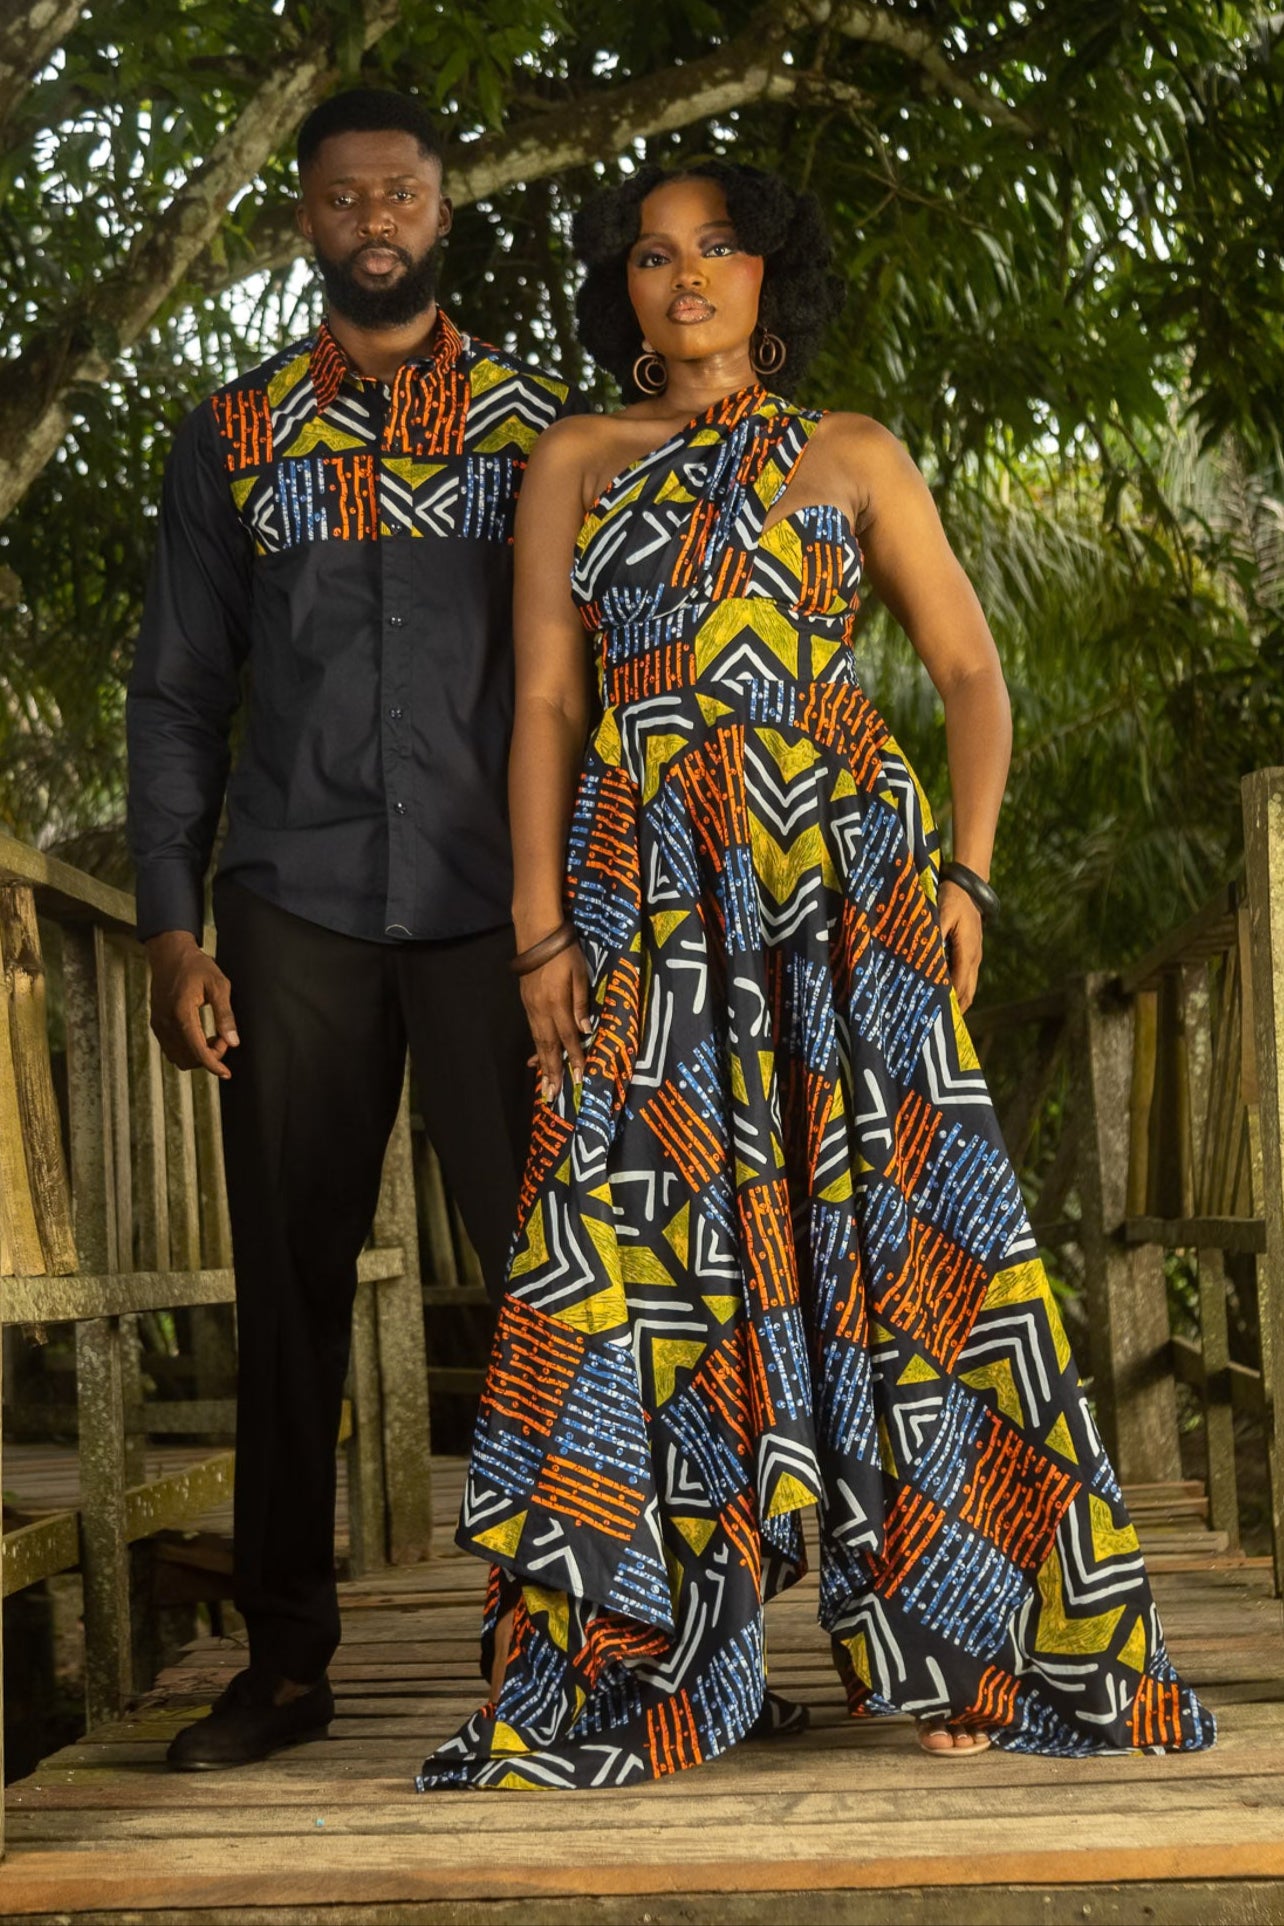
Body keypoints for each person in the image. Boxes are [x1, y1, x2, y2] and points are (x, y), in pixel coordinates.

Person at [417, 160, 1215, 1791]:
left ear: (776, 273)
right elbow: (552, 714)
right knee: (623, 1242)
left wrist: (969, 873)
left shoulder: (849, 455)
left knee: (910, 1240)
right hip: (644, 895)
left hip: (837, 895)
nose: (687, 277)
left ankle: (966, 1625)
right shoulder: (574, 459)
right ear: (623, 290)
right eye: (653, 256)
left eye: (719, 248)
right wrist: (537, 930)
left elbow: (973, 674)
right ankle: (641, 1648)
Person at [127, 88, 578, 1770]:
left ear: (441, 209)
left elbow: (596, 682)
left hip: (496, 915)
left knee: (553, 1274)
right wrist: (174, 932)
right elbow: (178, 694)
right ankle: (289, 1661)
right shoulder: (231, 437)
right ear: (304, 221)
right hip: (296, 907)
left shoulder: (540, 427)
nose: (371, 215)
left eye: (398, 190)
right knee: (291, 1289)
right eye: (340, 196)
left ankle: (575, 1632)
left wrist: (588, 909)